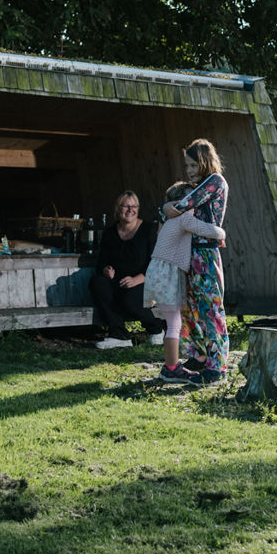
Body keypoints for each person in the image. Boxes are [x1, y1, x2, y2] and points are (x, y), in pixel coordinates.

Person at [161, 139, 230, 384]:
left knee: (211, 311)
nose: (188, 170)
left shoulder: (215, 182)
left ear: (204, 162)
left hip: (206, 255)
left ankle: (218, 366)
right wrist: (167, 208)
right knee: (191, 309)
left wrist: (169, 206)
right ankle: (200, 356)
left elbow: (182, 206)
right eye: (187, 165)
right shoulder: (195, 186)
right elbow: (168, 212)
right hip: (189, 253)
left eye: (193, 165)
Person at [145, 181, 226, 385]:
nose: (195, 204)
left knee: (173, 322)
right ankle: (171, 369)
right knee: (174, 324)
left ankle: (173, 365)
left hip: (159, 271)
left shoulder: (171, 220)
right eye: (191, 199)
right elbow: (206, 229)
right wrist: (222, 233)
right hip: (167, 273)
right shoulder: (183, 218)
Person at [89, 190, 163, 349]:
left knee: (129, 300)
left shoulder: (149, 229)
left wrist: (137, 279)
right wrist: (105, 270)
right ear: (118, 208)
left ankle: (156, 329)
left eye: (134, 206)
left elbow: (156, 262)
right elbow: (101, 262)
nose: (130, 210)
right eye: (126, 206)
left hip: (144, 280)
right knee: (97, 283)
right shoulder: (110, 233)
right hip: (117, 281)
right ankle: (120, 335)